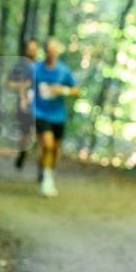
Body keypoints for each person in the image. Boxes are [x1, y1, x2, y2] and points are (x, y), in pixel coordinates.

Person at [34, 38, 80, 198]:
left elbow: (77, 91)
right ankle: (46, 181)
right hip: (39, 113)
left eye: (55, 50)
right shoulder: (36, 69)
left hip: (58, 116)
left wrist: (62, 91)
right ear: (45, 51)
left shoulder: (64, 71)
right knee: (47, 145)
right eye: (50, 50)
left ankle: (47, 173)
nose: (52, 53)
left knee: (55, 149)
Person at [7, 38, 39, 171]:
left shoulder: (41, 66)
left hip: (40, 106)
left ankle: (42, 167)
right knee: (25, 133)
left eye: (34, 48)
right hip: (24, 105)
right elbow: (8, 84)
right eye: (29, 48)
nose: (31, 50)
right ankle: (23, 152)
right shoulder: (19, 66)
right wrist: (22, 86)